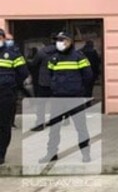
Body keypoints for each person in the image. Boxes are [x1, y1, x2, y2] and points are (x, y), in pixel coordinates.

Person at [39, 31, 93, 164]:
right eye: (58, 40)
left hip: (75, 97)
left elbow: (88, 76)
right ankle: (51, 154)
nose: (60, 43)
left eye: (63, 40)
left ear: (70, 42)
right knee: (54, 129)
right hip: (58, 98)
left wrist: (79, 90)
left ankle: (85, 154)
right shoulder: (54, 58)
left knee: (81, 127)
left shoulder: (79, 57)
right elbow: (50, 75)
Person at [0, 29, 29, 165]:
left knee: (4, 125)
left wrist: (11, 84)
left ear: (3, 39)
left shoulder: (13, 54)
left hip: (6, 94)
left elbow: (23, 72)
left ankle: (1, 154)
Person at [29, 33, 57, 131]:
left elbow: (33, 64)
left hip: (44, 81)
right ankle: (55, 121)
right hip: (57, 82)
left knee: (41, 104)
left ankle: (40, 124)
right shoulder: (63, 52)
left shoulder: (42, 52)